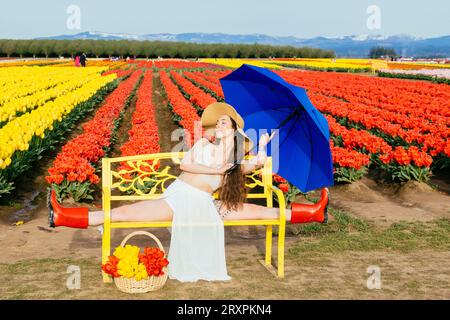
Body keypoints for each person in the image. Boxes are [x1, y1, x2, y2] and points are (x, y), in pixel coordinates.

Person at [47, 102, 329, 282]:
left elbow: (256, 164)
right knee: (124, 213)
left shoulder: (236, 160)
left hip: (205, 203)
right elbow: (185, 163)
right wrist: (218, 171)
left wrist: (264, 144)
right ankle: (62, 216)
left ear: (233, 130)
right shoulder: (204, 145)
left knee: (265, 211)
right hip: (180, 196)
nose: (218, 124)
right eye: (217, 122)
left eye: (223, 122)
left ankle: (315, 213)